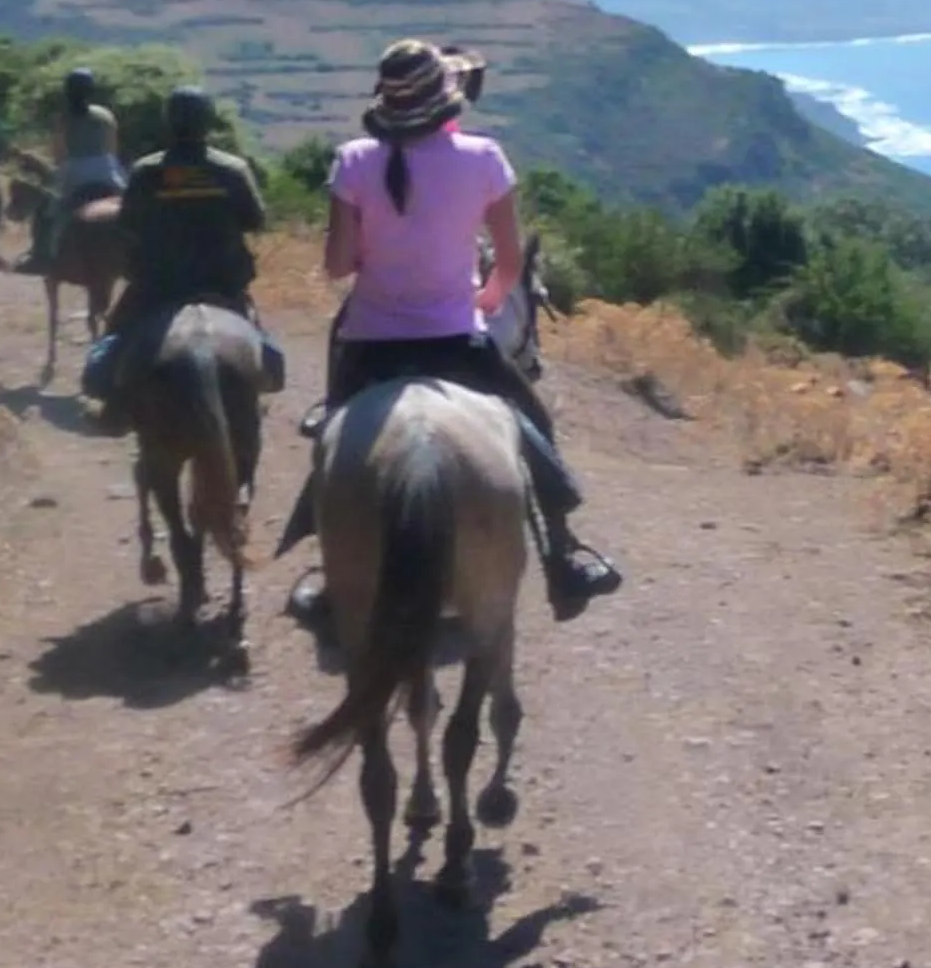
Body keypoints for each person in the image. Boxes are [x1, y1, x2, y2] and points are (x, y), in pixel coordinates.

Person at [278, 39, 620, 621]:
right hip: (456, 337)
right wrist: (482, 300)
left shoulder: (353, 159)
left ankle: (329, 569)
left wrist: (381, 253)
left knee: (335, 428)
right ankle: (563, 551)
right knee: (530, 419)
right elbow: (509, 263)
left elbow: (337, 265)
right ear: (444, 98)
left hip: (370, 341)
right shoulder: (484, 156)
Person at [79, 86, 285, 432]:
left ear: (169, 122)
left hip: (157, 286)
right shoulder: (232, 168)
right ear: (209, 122)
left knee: (115, 335)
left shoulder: (146, 170)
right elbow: (255, 219)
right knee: (258, 336)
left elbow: (128, 222)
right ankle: (262, 383)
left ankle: (111, 406)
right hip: (221, 282)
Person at [21, 66, 127, 274]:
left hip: (75, 171)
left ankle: (42, 255)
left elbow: (60, 155)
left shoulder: (64, 118)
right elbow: (113, 147)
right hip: (108, 169)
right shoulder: (106, 115)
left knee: (46, 212)